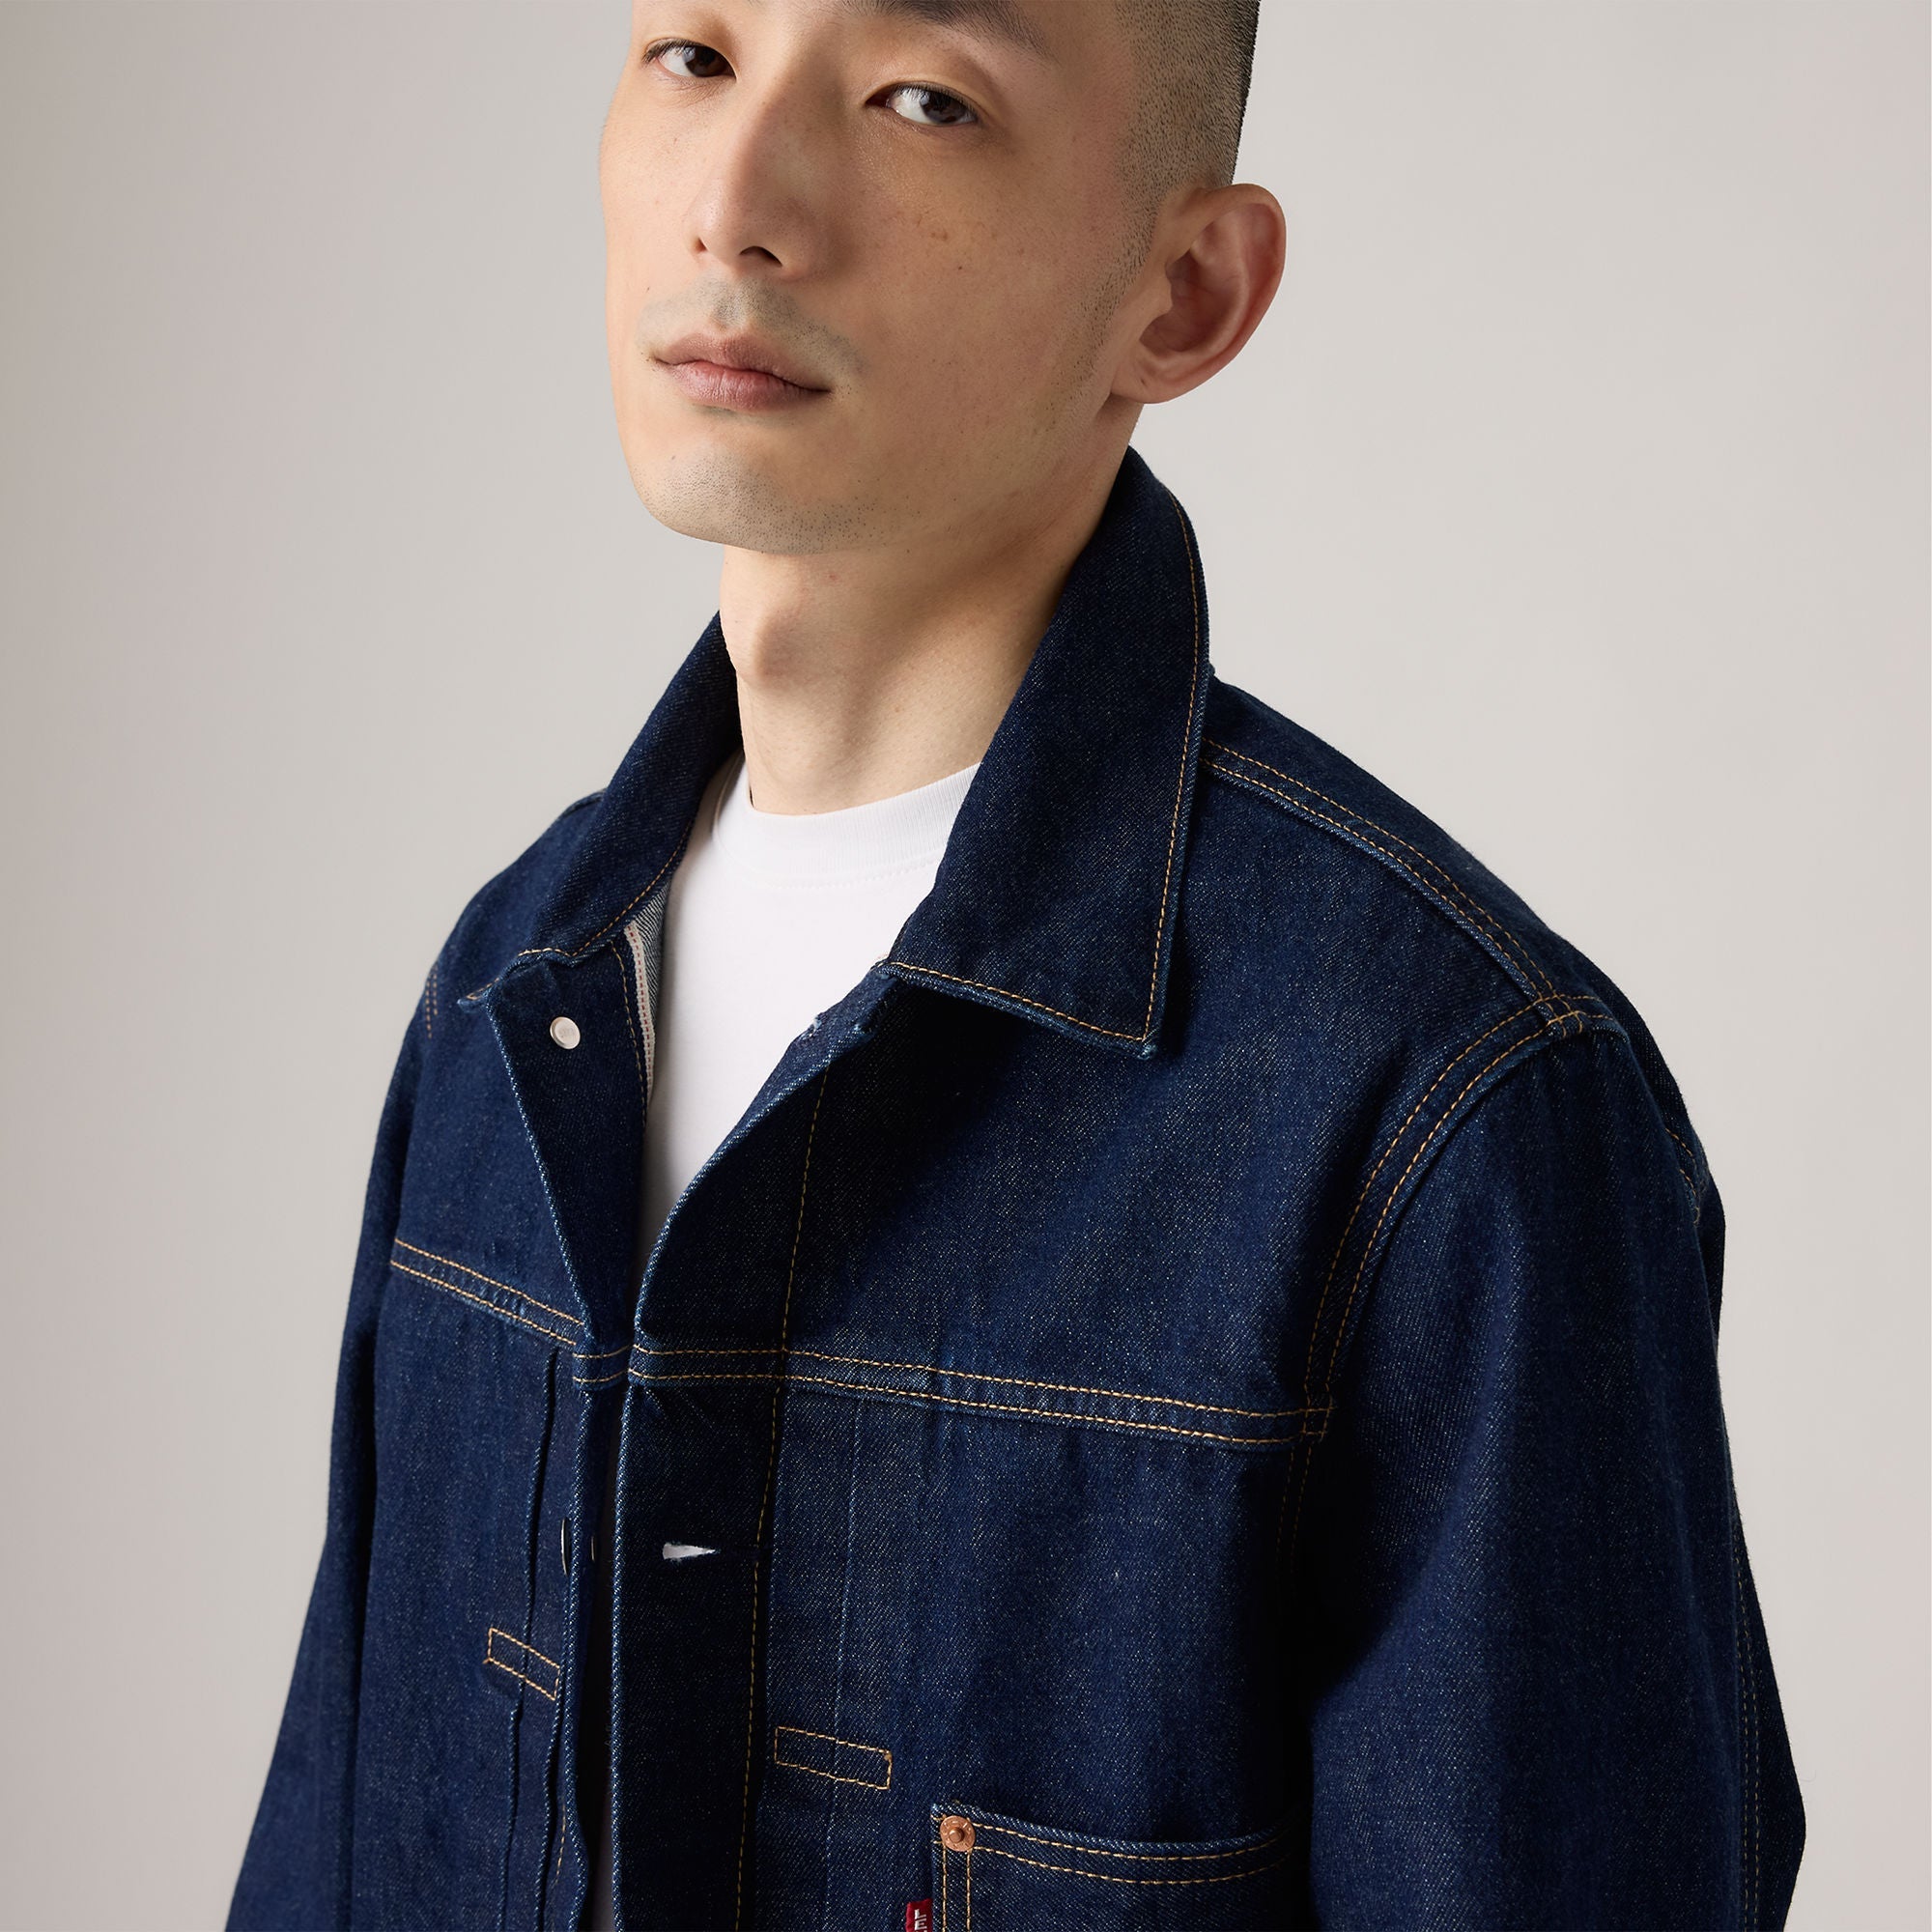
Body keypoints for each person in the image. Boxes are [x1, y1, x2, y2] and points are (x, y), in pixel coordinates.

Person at [229, 2, 1804, 1926]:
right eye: (694, 55)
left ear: (1184, 296)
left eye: (923, 99)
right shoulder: (513, 993)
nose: (737, 201)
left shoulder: (1442, 1111)